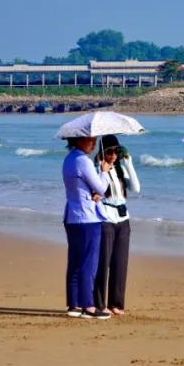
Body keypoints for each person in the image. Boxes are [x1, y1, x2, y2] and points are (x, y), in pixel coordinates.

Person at [61, 135, 111, 320]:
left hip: (72, 216)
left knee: (75, 261)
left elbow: (85, 188)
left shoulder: (69, 159)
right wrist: (104, 171)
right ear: (78, 140)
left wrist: (97, 192)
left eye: (94, 140)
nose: (94, 143)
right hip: (86, 218)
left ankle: (74, 304)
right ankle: (88, 306)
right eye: (90, 140)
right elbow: (101, 187)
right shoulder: (83, 160)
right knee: (88, 263)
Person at [93, 134, 141, 315]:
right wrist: (103, 171)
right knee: (103, 263)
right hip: (105, 218)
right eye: (110, 151)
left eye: (116, 152)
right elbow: (96, 190)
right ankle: (98, 303)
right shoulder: (97, 169)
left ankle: (116, 303)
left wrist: (128, 162)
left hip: (123, 219)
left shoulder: (120, 169)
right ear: (103, 151)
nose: (113, 155)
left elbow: (136, 188)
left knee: (120, 263)